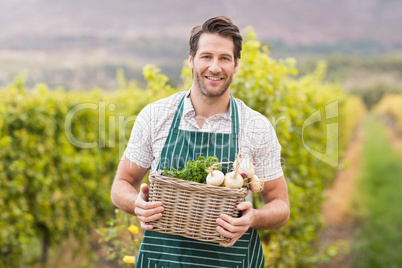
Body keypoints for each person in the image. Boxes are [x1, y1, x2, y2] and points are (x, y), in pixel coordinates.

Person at [111, 16, 290, 268]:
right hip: (163, 260)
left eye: (224, 58)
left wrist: (253, 218)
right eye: (206, 56)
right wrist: (137, 205)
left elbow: (280, 205)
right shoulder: (155, 116)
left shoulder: (256, 126)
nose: (215, 67)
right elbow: (122, 183)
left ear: (236, 65)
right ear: (191, 60)